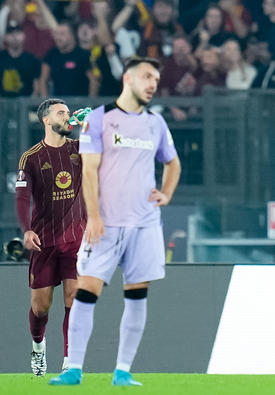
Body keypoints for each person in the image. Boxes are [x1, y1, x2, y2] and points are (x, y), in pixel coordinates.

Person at [49, 57, 181, 386]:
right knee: (87, 291)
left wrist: (165, 193)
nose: (153, 83)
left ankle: (122, 371)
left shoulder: (156, 123)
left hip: (145, 225)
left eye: (156, 78)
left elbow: (173, 163)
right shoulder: (99, 119)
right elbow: (89, 171)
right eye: (147, 76)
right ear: (128, 79)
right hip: (105, 224)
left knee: (137, 294)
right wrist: (93, 216)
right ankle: (74, 370)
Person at [15, 98, 87, 376]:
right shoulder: (31, 157)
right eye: (61, 113)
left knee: (74, 298)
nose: (67, 117)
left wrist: (89, 128)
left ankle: (70, 362)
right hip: (44, 241)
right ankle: (38, 347)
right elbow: (22, 198)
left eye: (68, 113)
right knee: (41, 307)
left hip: (75, 239)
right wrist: (27, 229)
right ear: (46, 120)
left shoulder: (79, 149)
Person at [0, 20, 41, 97]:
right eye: (11, 33)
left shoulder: (32, 60)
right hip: (3, 105)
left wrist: (30, 105)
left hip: (25, 105)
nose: (15, 36)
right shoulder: (1, 58)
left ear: (23, 35)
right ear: (5, 37)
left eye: (18, 33)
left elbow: (37, 86)